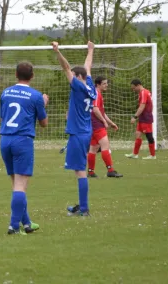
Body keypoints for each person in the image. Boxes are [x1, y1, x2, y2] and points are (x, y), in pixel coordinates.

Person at [0, 62, 49, 235]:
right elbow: (44, 123)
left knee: (16, 184)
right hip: (22, 140)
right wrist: (43, 104)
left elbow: (3, 116)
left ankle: (27, 223)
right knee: (21, 185)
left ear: (15, 74)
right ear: (32, 76)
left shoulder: (5, 92)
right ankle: (13, 225)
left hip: (5, 140)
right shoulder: (35, 96)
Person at [52, 41, 96, 217]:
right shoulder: (90, 85)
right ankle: (82, 206)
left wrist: (57, 51)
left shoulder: (77, 86)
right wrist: (90, 50)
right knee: (80, 169)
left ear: (78, 77)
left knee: (80, 171)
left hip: (78, 134)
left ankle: (84, 209)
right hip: (86, 131)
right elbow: (88, 65)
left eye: (73, 76)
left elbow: (66, 67)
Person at [88, 76, 123, 178]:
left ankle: (90, 172)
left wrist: (111, 122)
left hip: (92, 125)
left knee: (93, 149)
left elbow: (101, 112)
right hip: (97, 125)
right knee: (105, 147)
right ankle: (110, 171)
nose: (106, 85)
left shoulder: (96, 93)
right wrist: (103, 122)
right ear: (98, 84)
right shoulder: (96, 94)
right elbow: (95, 109)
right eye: (104, 83)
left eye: (106, 83)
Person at [125, 79, 156, 160]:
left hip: (146, 118)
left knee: (149, 136)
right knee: (138, 135)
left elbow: (142, 106)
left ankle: (153, 155)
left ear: (138, 85)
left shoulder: (143, 93)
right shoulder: (145, 92)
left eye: (134, 88)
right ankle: (135, 154)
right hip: (142, 118)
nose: (133, 90)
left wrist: (135, 117)